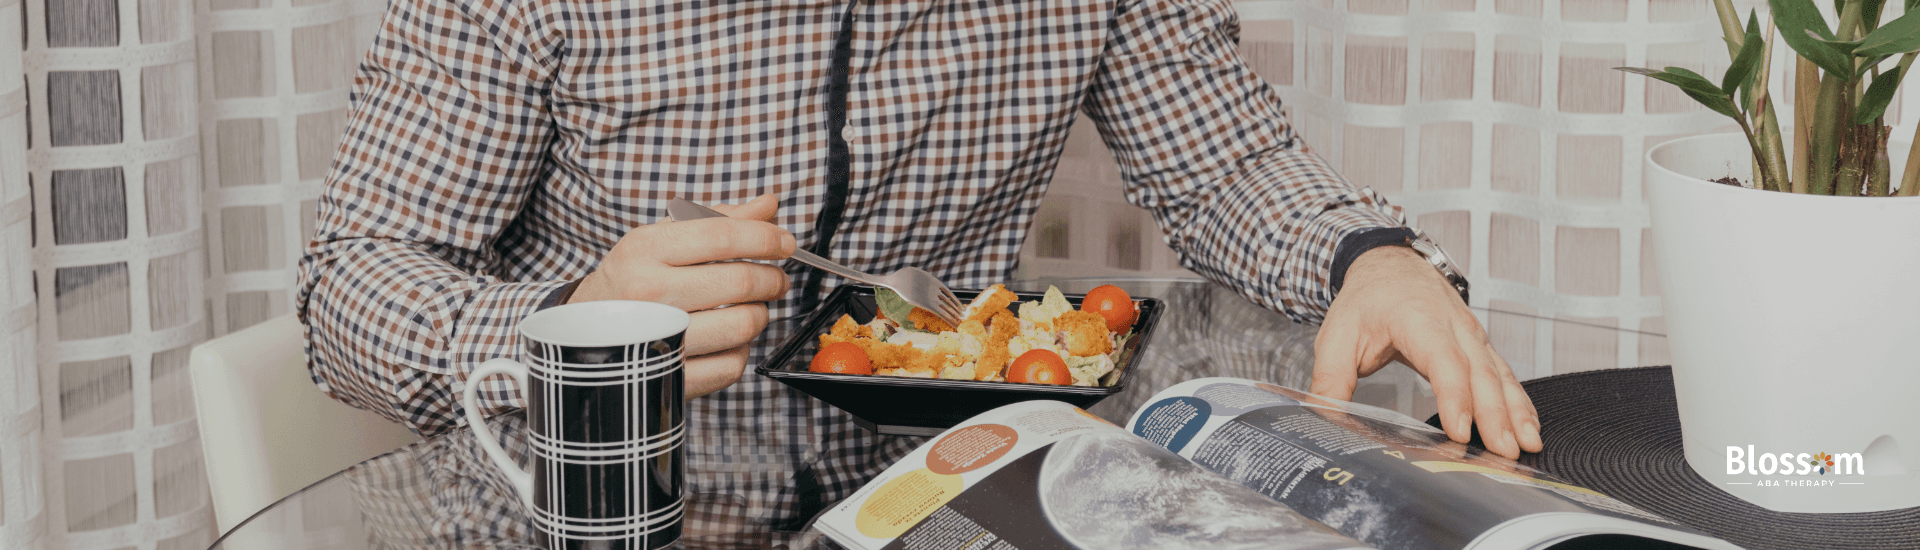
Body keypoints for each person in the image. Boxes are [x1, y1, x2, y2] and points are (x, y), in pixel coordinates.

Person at [297, 0, 1542, 531]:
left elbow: (1221, 164)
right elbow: (346, 283)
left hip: (941, 504)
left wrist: (1372, 256)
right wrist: (567, 322)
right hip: (586, 511)